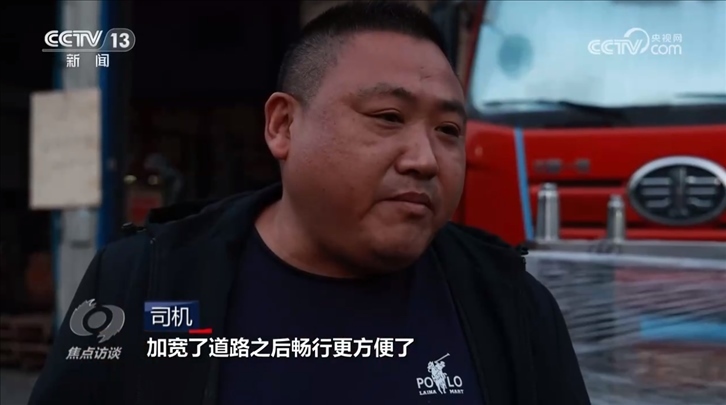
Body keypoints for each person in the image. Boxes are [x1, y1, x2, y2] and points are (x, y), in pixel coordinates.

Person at [29, 2, 590, 404]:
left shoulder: (510, 306)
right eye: (388, 117)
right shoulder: (145, 281)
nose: (425, 158)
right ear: (283, 126)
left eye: (448, 130)